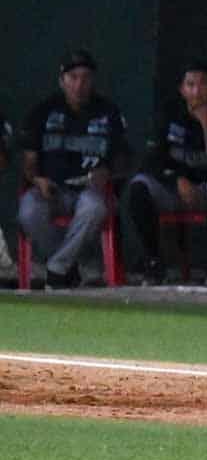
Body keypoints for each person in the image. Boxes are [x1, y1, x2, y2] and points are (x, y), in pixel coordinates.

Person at [18, 50, 129, 289]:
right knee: (28, 211)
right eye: (73, 77)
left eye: (86, 78)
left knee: (95, 208)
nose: (79, 84)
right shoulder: (43, 111)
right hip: (51, 189)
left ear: (93, 81)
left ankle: (57, 268)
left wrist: (106, 172)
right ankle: (71, 263)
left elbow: (123, 161)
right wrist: (37, 180)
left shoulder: (108, 112)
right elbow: (28, 163)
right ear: (62, 80)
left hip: (87, 189)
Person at [127, 61, 207, 286]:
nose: (197, 91)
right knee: (139, 186)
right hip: (174, 188)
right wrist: (177, 180)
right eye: (190, 85)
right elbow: (152, 160)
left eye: (203, 85)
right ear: (182, 89)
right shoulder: (168, 112)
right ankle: (153, 262)